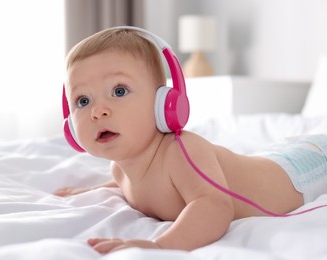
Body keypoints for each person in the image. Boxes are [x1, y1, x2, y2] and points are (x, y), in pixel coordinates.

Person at [55, 27, 327, 254]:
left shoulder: (181, 151)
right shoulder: (119, 169)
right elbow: (137, 181)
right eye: (83, 100)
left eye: (119, 90)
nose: (98, 110)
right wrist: (91, 190)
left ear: (164, 103)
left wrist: (160, 246)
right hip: (273, 156)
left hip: (301, 171)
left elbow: (214, 207)